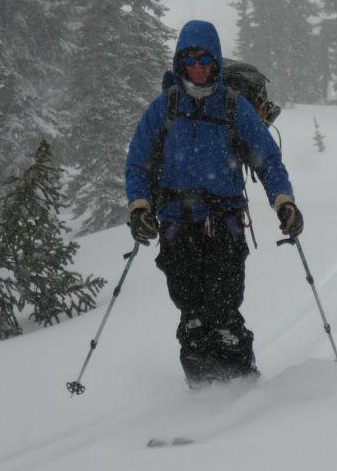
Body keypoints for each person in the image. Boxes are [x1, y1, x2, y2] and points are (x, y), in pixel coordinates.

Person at [125, 20, 303, 388]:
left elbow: (267, 159)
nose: (198, 66)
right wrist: (139, 206)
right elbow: (138, 162)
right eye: (189, 59)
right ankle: (203, 393)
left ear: (216, 62)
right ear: (179, 62)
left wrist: (283, 201)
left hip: (224, 223)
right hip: (176, 226)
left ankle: (241, 384)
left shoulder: (233, 107)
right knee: (191, 315)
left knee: (223, 310)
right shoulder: (165, 107)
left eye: (205, 58)